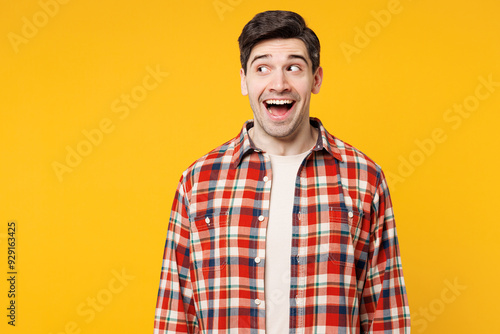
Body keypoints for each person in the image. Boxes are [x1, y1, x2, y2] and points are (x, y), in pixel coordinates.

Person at [154, 10, 410, 333]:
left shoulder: (364, 179)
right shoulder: (199, 182)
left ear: (315, 79)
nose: (279, 84)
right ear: (244, 81)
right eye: (263, 68)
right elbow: (176, 314)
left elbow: (385, 317)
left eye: (293, 68)